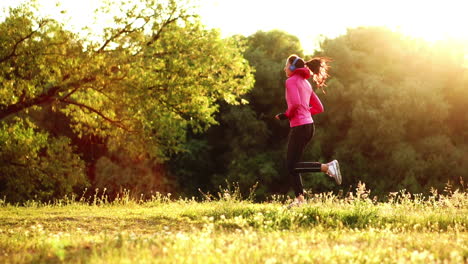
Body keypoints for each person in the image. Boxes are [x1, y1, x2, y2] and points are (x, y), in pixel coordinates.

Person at [275, 54, 341, 207]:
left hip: (299, 127)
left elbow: (296, 104)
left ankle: (327, 167)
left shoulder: (290, 81)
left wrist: (285, 115)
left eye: (286, 65)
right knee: (293, 164)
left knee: (291, 165)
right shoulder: (306, 83)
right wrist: (305, 113)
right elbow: (319, 108)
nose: (284, 68)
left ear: (292, 67)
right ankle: (299, 200)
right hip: (308, 127)